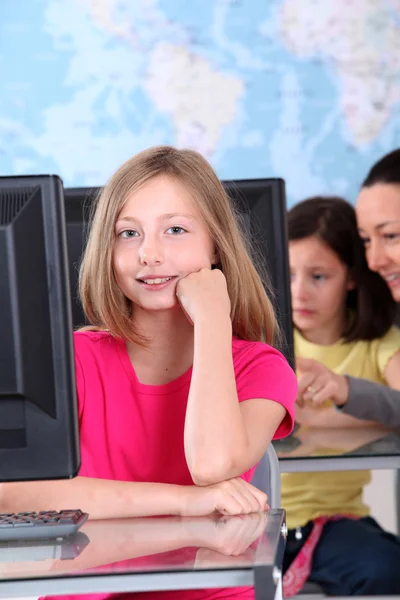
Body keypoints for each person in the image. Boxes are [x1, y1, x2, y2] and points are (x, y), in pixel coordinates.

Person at [0, 146, 296, 600]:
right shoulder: (75, 359)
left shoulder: (260, 368)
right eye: (128, 233)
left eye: (175, 230)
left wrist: (213, 319)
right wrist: (184, 504)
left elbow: (212, 465)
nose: (149, 253)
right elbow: (15, 495)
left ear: (216, 244)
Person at [283, 196, 400, 596]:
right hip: (255, 524)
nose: (299, 292)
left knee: (386, 568)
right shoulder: (261, 338)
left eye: (318, 277)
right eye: (289, 274)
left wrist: (343, 396)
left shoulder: (378, 344)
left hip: (335, 522)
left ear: (351, 276)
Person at [298, 149, 400, 428]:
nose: (374, 261)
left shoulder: (381, 343)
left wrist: (345, 393)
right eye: (366, 240)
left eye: (391, 235)